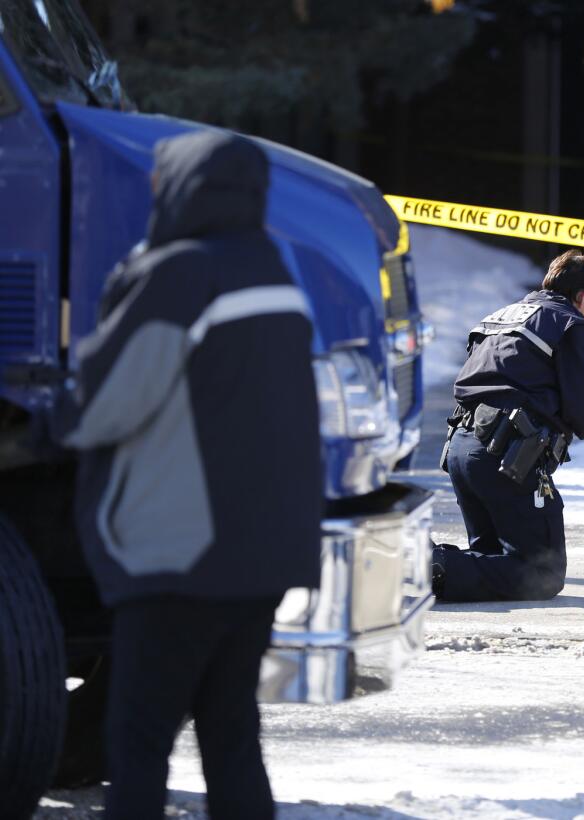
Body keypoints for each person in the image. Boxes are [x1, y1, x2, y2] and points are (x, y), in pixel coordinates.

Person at [56, 131, 322, 817]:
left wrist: (49, 417)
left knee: (137, 740)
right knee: (231, 734)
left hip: (183, 552)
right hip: (264, 554)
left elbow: (108, 401)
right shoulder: (272, 269)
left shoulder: (179, 273)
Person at [432, 249, 584, 602]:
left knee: (493, 560)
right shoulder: (570, 324)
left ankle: (432, 567)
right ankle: (427, 563)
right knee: (540, 574)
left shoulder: (501, 316)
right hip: (506, 458)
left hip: (462, 449)